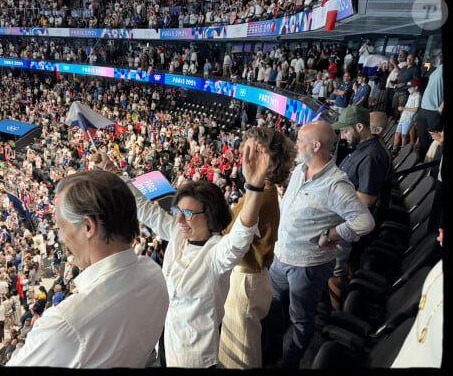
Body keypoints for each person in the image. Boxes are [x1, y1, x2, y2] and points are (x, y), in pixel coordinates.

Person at [95, 133, 271, 368]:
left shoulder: (216, 253)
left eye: (187, 213)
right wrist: (111, 169)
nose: (178, 219)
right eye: (178, 210)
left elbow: (242, 233)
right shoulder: (178, 235)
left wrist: (255, 187)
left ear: (209, 216)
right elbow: (144, 208)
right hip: (166, 339)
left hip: (194, 357)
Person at [7, 170, 168, 368]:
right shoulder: (154, 274)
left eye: (62, 227)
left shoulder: (64, 324)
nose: (61, 238)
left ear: (88, 227)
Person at [263, 121, 375, 369]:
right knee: (271, 305)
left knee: (300, 319)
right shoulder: (300, 168)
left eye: (300, 141)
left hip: (307, 266)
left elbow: (365, 222)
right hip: (281, 258)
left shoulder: (336, 185)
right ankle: (270, 351)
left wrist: (332, 233)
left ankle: (290, 362)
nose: (296, 145)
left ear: (315, 145)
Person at [218, 127, 297, 369]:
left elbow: (230, 238)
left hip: (245, 283)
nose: (243, 155)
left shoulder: (260, 195)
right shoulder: (267, 191)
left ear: (264, 157)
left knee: (239, 358)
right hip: (255, 279)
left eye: (249, 150)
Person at [327, 106, 391, 310]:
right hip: (343, 219)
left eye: (345, 131)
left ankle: (337, 317)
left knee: (334, 275)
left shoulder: (372, 155)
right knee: (343, 267)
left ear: (360, 126)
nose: (343, 136)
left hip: (348, 224)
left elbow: (366, 199)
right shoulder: (362, 149)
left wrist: (333, 202)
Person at [415, 49, 443, 159]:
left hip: (434, 109)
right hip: (424, 108)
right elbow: (425, 71)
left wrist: (441, 106)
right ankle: (421, 161)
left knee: (433, 139)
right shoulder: (435, 68)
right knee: (423, 137)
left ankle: (430, 166)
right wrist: (427, 61)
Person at [392, 77, 422, 155]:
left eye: (410, 88)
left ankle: (402, 151)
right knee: (397, 133)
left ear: (416, 87)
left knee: (404, 135)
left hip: (409, 118)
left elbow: (416, 109)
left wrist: (403, 108)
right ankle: (394, 149)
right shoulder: (411, 95)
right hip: (403, 117)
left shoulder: (417, 96)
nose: (408, 89)